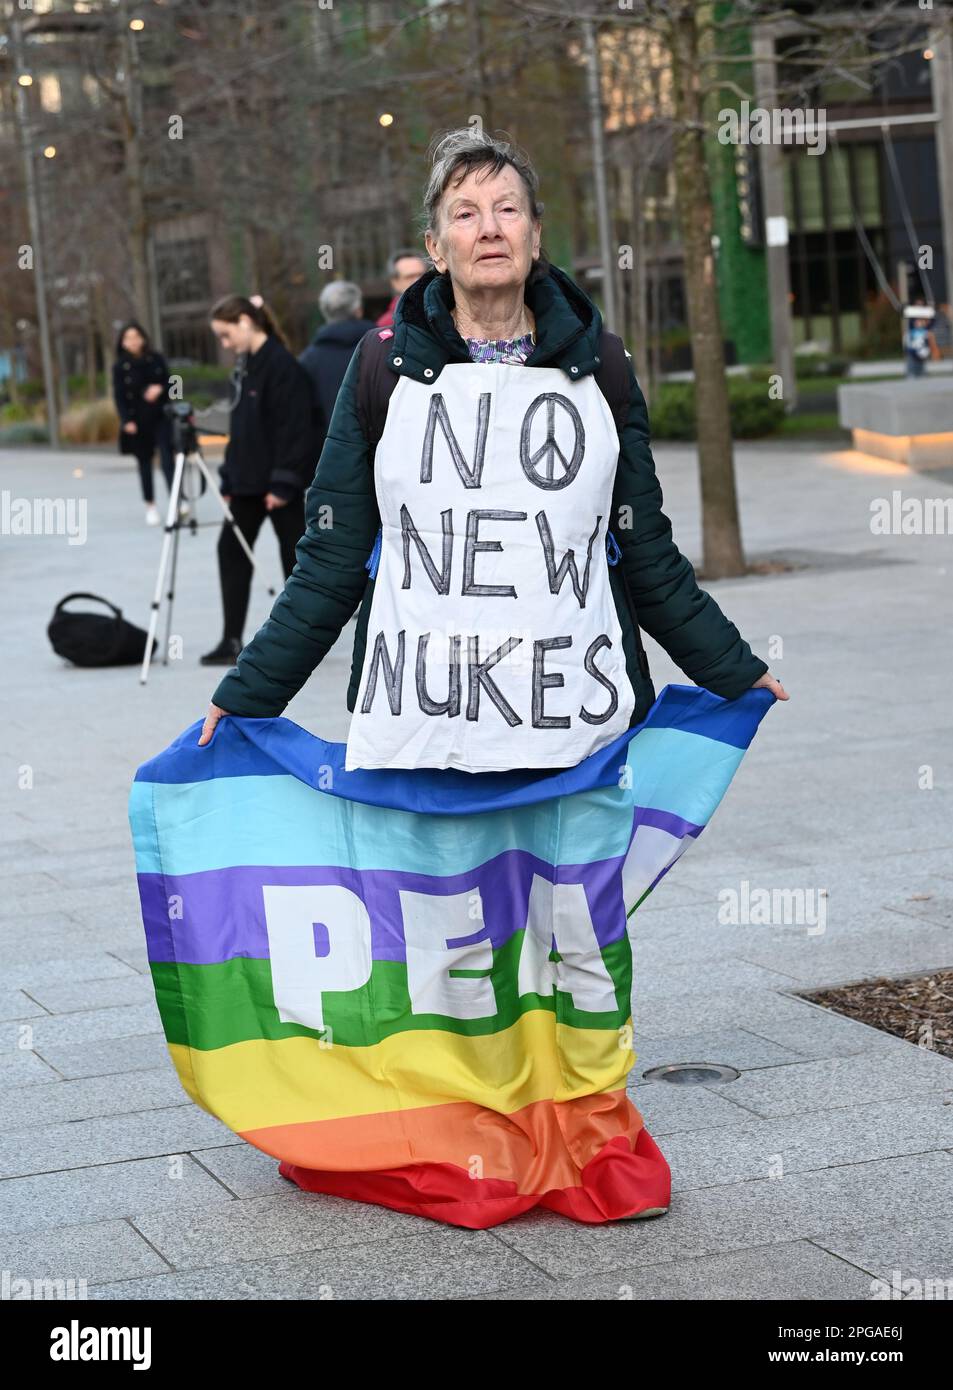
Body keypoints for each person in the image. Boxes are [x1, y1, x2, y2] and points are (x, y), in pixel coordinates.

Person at [193, 128, 788, 1227]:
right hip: (433, 722)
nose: (486, 228)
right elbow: (330, 553)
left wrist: (729, 666)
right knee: (453, 948)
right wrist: (247, 696)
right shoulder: (381, 372)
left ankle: (580, 1130)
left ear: (536, 234)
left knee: (573, 939)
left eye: (504, 208)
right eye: (463, 212)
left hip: (569, 725)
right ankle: (460, 1131)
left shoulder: (599, 366)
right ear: (433, 242)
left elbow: (639, 548)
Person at [199, 294, 318, 667]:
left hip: (276, 486)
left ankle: (301, 639)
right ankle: (231, 637)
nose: (224, 343)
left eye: (225, 334)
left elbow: (297, 429)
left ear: (246, 322)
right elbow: (242, 428)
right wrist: (230, 477)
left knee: (295, 560)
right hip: (248, 484)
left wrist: (283, 483)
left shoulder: (283, 366)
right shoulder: (245, 365)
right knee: (231, 552)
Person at [298, 280, 375, 457]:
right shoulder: (385, 345)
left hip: (332, 454)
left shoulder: (309, 359)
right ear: (358, 309)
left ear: (325, 312)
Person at [112, 322, 176, 526]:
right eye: (128, 338)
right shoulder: (120, 366)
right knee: (144, 464)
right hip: (137, 421)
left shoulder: (156, 358)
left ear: (143, 338)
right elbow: (119, 396)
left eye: (136, 336)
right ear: (122, 342)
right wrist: (126, 421)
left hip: (161, 416)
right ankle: (151, 506)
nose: (133, 341)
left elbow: (175, 383)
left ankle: (176, 501)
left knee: (168, 460)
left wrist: (161, 390)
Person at [375, 247, 428, 327]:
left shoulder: (445, 310)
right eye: (410, 277)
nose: (418, 280)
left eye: (421, 275)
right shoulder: (387, 323)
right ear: (395, 282)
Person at [902, 301, 939, 378]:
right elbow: (906, 315)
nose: (918, 323)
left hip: (921, 350)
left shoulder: (925, 328)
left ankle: (921, 374)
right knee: (912, 363)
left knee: (920, 363)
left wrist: (931, 311)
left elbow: (933, 320)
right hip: (913, 350)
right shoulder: (912, 325)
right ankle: (911, 374)